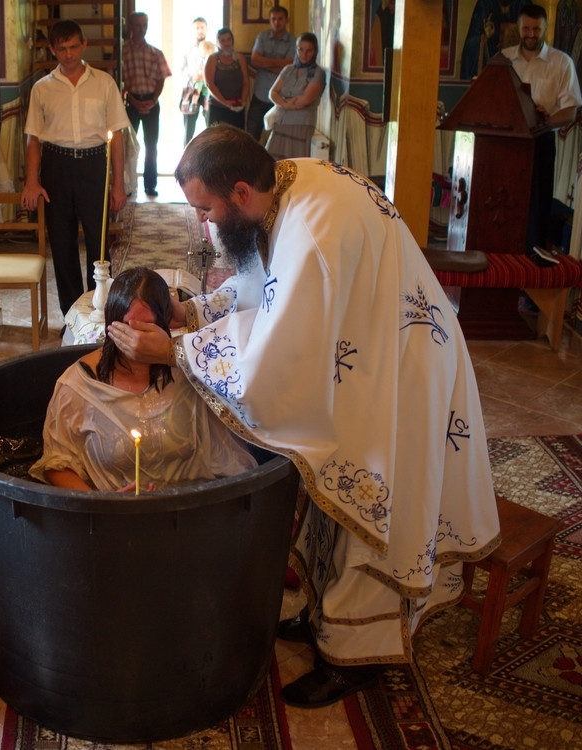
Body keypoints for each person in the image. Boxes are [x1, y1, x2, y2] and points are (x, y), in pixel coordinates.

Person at [106, 126, 501, 708]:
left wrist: (175, 352)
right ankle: (325, 615)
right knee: (332, 480)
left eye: (207, 210)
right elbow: (262, 286)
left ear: (240, 191)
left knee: (367, 490)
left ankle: (356, 654)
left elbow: (276, 361)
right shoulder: (284, 185)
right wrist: (198, 309)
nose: (205, 225)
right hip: (368, 350)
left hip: (394, 375)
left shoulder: (314, 231)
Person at [30, 267, 257, 492]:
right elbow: (56, 466)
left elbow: (226, 455)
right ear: (111, 323)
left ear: (166, 324)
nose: (136, 340)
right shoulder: (78, 386)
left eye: (147, 327)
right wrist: (104, 505)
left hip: (187, 509)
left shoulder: (188, 371)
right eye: (127, 328)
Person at [21, 20, 131, 318]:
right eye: (61, 49)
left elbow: (117, 135)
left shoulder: (104, 82)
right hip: (56, 166)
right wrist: (32, 181)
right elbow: (33, 138)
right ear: (53, 49)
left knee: (98, 242)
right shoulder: (41, 89)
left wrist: (117, 184)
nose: (68, 54)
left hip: (95, 165)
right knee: (62, 242)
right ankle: (72, 315)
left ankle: (99, 310)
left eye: (73, 47)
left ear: (83, 45)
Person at [500, 4, 581, 263]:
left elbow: (570, 110)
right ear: (519, 28)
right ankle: (502, 262)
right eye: (526, 28)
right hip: (506, 143)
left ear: (545, 29)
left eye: (536, 29)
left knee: (535, 208)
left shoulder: (561, 62)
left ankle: (531, 274)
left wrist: (543, 123)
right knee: (503, 203)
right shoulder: (504, 59)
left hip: (541, 142)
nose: (531, 34)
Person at [122, 12, 171, 198]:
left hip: (151, 102)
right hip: (130, 101)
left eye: (144, 25)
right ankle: (127, 184)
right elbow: (120, 81)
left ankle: (150, 185)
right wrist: (133, 100)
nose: (141, 29)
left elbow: (160, 79)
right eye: (137, 25)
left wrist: (154, 99)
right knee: (129, 146)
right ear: (130, 27)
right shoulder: (123, 51)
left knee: (152, 145)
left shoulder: (155, 53)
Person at [264, 33, 327, 160]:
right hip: (281, 122)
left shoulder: (318, 73)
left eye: (309, 50)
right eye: (301, 49)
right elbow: (272, 93)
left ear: (315, 52)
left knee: (296, 165)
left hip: (301, 125)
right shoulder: (288, 69)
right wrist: (287, 103)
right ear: (296, 49)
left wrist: (282, 102)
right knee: (272, 164)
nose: (304, 54)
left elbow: (304, 100)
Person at [247, 5, 295, 141]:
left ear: (287, 20)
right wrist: (279, 62)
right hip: (260, 95)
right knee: (252, 133)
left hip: (282, 96)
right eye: (273, 19)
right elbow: (255, 60)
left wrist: (266, 64)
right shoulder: (262, 37)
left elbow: (289, 67)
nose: (276, 22)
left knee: (279, 137)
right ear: (270, 20)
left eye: (280, 19)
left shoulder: (294, 41)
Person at [204, 28, 251, 129]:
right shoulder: (212, 59)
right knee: (217, 140)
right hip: (218, 107)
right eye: (222, 40)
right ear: (217, 42)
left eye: (229, 39)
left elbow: (246, 82)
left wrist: (242, 101)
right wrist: (225, 103)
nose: (226, 43)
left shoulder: (240, 58)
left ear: (232, 41)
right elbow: (209, 84)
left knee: (237, 140)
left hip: (237, 108)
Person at [180, 17, 216, 145]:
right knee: (188, 128)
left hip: (209, 90)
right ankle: (186, 157)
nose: (200, 31)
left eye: (202, 28)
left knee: (211, 125)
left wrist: (205, 76)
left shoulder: (212, 48)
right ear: (193, 30)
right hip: (191, 89)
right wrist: (193, 76)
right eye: (197, 28)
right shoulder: (187, 49)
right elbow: (182, 69)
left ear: (206, 29)